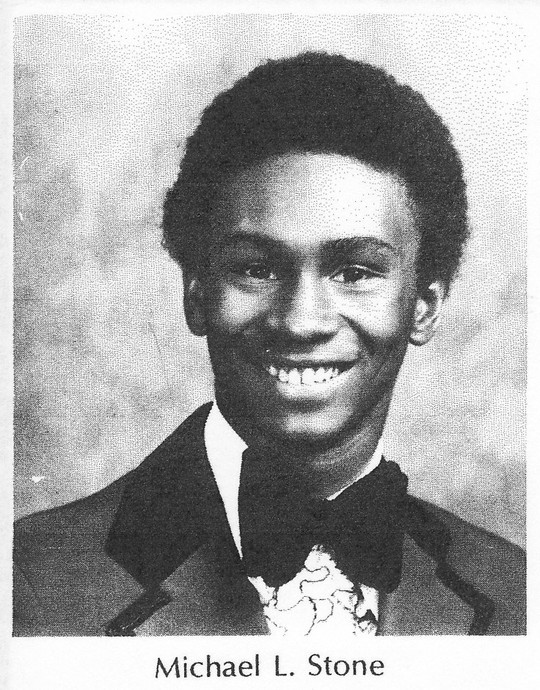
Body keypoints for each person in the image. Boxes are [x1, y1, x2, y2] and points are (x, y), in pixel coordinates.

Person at [13, 52, 525, 636]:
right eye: (257, 269)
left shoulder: (516, 592)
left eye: (355, 271)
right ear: (196, 294)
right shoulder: (30, 581)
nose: (301, 322)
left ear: (424, 307)